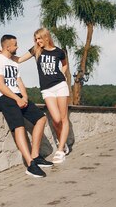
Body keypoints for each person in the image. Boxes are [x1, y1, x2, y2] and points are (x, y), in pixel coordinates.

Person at [0, 34, 53, 178]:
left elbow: (19, 82)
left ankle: (36, 156)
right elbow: (0, 85)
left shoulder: (13, 62)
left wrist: (24, 97)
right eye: (15, 45)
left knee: (41, 119)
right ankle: (30, 165)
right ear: (7, 47)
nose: (17, 47)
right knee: (19, 127)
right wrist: (15, 99)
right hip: (5, 97)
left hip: (17, 96)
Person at [12, 28, 70, 164]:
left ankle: (61, 150)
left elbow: (65, 64)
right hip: (47, 89)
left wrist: (63, 76)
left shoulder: (59, 52)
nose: (38, 41)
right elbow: (19, 59)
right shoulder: (36, 50)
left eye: (39, 38)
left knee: (63, 118)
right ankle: (62, 140)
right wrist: (5, 54)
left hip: (60, 86)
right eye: (36, 39)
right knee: (56, 119)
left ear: (46, 37)